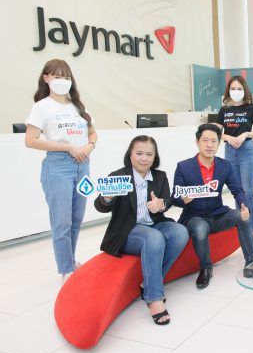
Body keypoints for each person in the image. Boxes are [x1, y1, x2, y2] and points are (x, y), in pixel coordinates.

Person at [95, 136, 188, 325]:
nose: (144, 158)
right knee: (154, 238)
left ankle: (148, 284)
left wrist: (161, 204)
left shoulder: (160, 176)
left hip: (154, 223)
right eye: (139, 153)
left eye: (149, 154)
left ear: (154, 157)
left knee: (180, 232)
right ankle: (154, 298)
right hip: (127, 231)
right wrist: (107, 198)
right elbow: (100, 206)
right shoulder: (118, 176)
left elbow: (167, 200)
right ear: (130, 155)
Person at [25, 59, 97, 283]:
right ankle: (66, 269)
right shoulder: (42, 107)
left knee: (76, 218)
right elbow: (30, 140)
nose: (62, 81)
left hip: (82, 165)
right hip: (58, 167)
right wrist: (67, 147)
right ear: (46, 78)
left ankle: (70, 260)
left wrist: (89, 146)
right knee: (62, 221)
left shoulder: (78, 106)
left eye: (66, 77)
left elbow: (93, 133)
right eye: (57, 77)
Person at [172, 124, 253, 289]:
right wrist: (183, 200)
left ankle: (251, 264)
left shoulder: (224, 165)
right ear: (197, 142)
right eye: (205, 141)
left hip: (218, 214)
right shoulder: (183, 167)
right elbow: (175, 197)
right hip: (194, 217)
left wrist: (244, 206)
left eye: (213, 141)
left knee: (241, 217)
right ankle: (206, 268)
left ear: (218, 144)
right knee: (200, 228)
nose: (209, 145)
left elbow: (237, 190)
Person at [217, 75, 253, 232]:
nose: (236, 91)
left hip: (247, 151)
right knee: (237, 192)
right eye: (233, 88)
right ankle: (242, 226)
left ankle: (251, 228)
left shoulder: (251, 108)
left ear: (245, 90)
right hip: (230, 152)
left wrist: (246, 134)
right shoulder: (224, 110)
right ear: (228, 91)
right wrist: (228, 137)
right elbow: (216, 132)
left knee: (248, 191)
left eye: (239, 88)